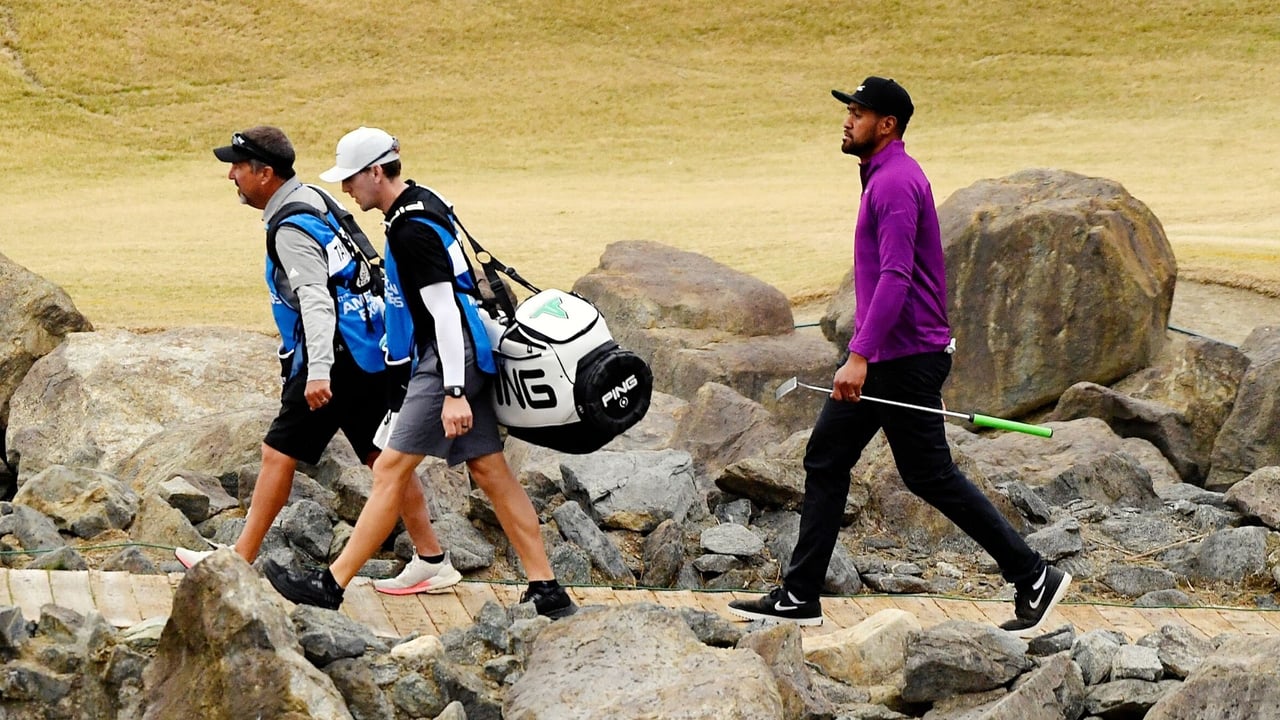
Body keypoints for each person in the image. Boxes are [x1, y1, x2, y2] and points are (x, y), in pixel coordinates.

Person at [728, 78, 1070, 637]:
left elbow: (895, 276)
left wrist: (859, 355)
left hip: (901, 358)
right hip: (897, 354)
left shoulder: (893, 182)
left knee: (908, 471)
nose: (847, 120)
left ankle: (1032, 574)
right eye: (849, 111)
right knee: (843, 461)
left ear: (887, 125)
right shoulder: (885, 175)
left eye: (858, 113)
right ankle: (801, 595)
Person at [264, 127, 576, 619]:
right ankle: (547, 589)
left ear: (375, 172)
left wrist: (453, 390)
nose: (346, 189)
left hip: (446, 359)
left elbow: (444, 311)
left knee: (390, 469)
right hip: (465, 352)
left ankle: (330, 585)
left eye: (351, 178)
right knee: (490, 471)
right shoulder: (423, 202)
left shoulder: (410, 232)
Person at [178, 126, 461, 598]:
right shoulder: (313, 198)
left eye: (238, 167)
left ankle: (237, 560)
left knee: (278, 452)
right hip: (365, 347)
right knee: (381, 458)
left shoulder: (290, 227)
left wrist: (318, 371)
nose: (231, 176)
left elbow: (315, 299)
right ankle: (431, 559)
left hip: (333, 356)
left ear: (265, 173)